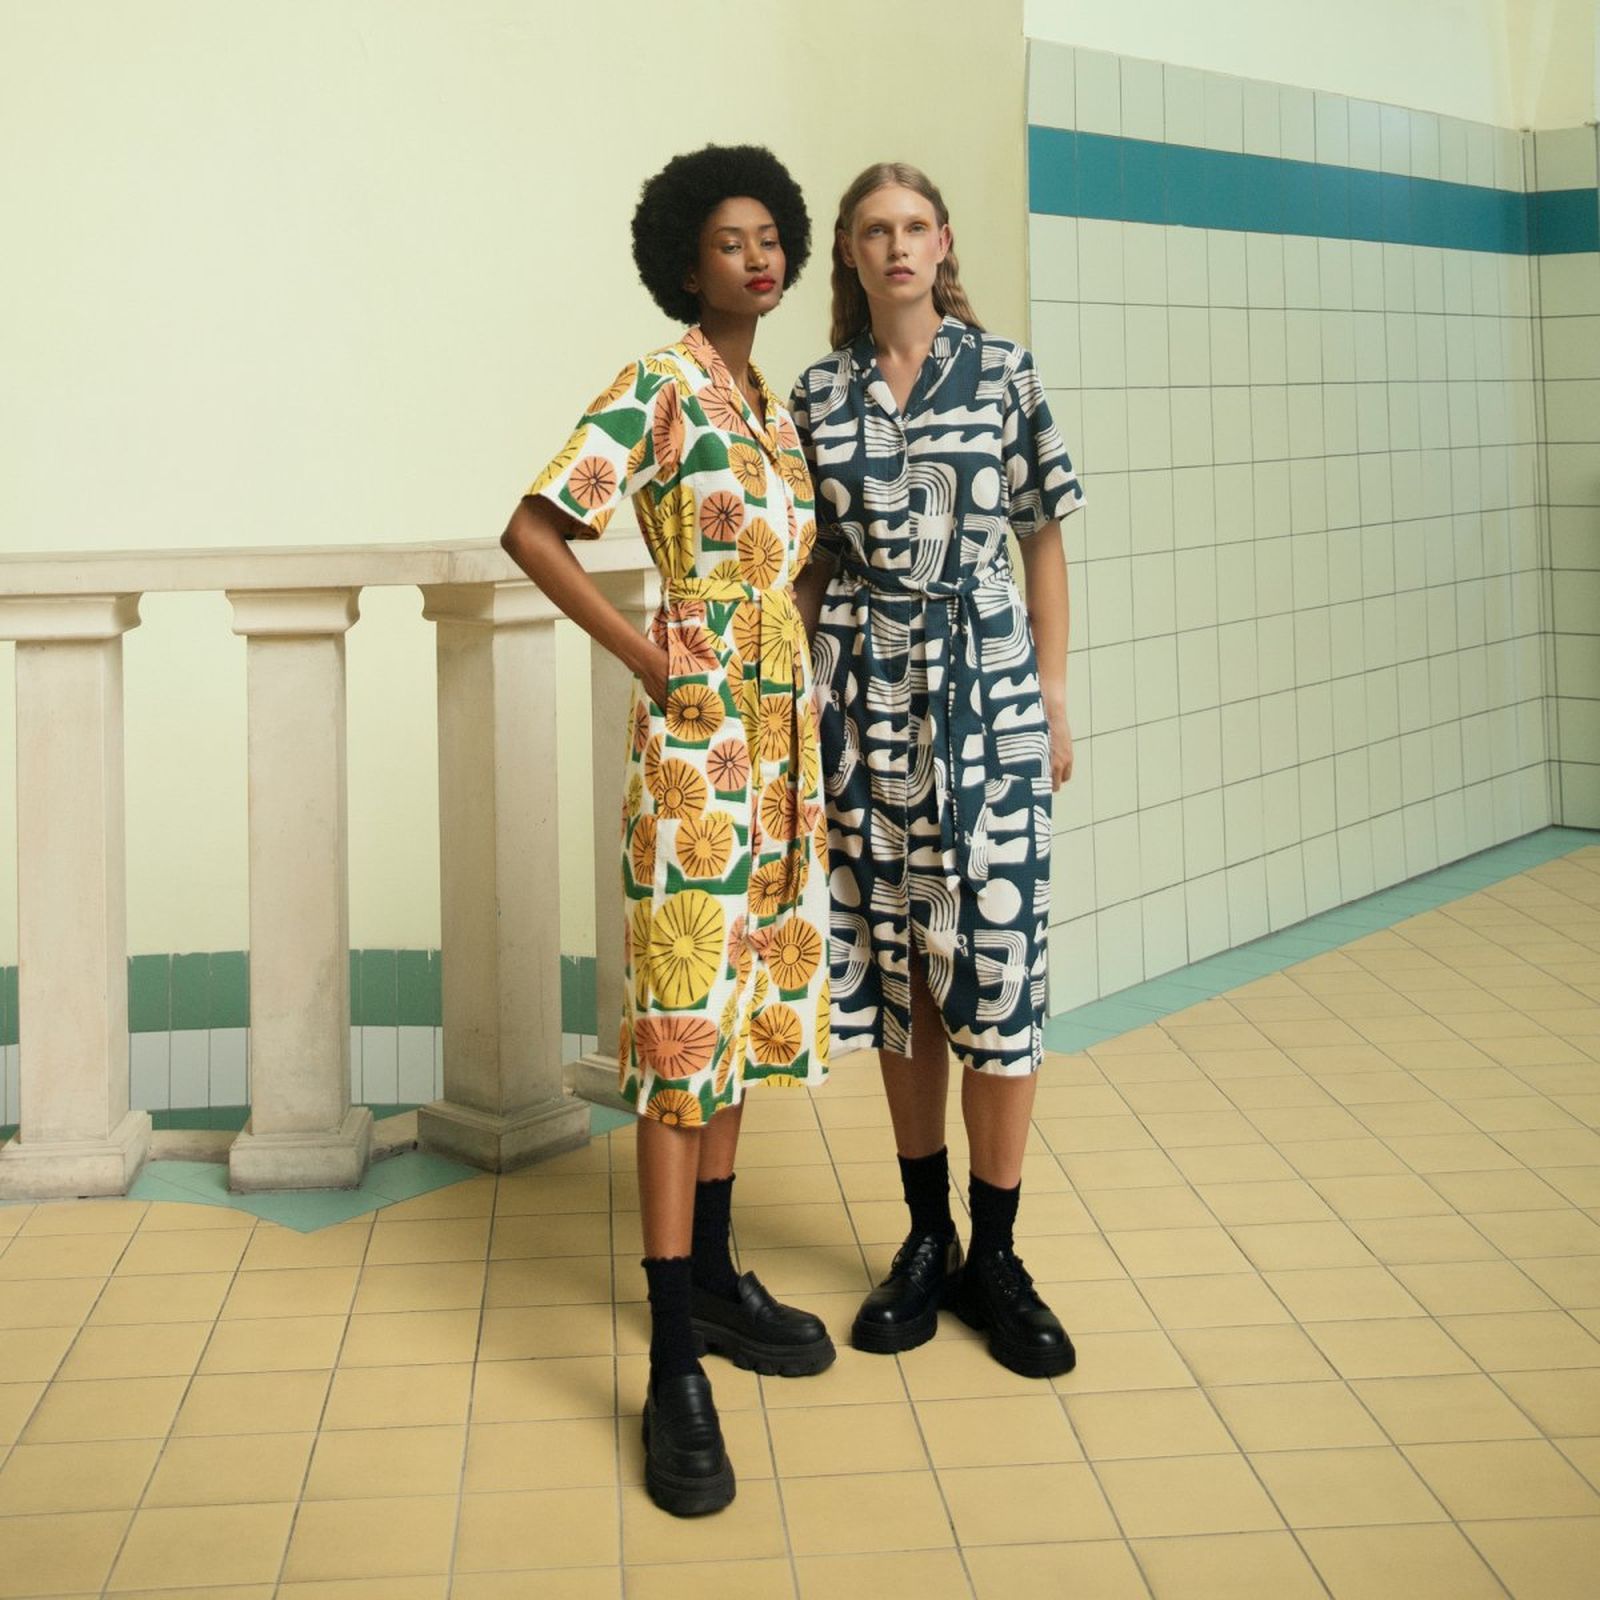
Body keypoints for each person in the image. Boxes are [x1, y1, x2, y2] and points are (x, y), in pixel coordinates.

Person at [502, 144, 833, 1518]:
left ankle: (713, 1271)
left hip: (783, 755)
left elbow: (791, 565)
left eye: (769, 238)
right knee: (682, 1027)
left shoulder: (772, 408)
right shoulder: (660, 383)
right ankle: (673, 1356)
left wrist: (796, 678)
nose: (755, 258)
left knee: (744, 1012)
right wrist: (649, 657)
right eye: (728, 242)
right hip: (700, 751)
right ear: (686, 263)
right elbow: (534, 529)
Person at [792, 162, 1083, 1380]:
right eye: (875, 230)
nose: (897, 245)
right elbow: (809, 561)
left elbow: (1040, 532)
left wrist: (1050, 693)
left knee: (996, 963)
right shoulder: (818, 395)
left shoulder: (1002, 370)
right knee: (900, 968)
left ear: (943, 242)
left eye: (914, 226)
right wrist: (797, 696)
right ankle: (926, 1238)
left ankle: (996, 1256)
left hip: (988, 692)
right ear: (851, 254)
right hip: (863, 700)